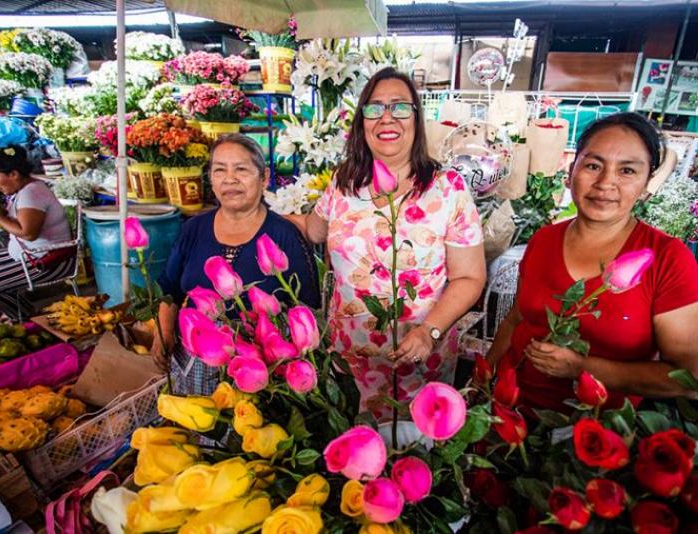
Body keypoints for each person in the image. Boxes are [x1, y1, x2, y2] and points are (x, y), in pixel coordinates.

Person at [288, 67, 487, 420]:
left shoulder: (447, 189)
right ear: (362, 121)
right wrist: (253, 214)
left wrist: (429, 331)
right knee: (353, 442)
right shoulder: (344, 181)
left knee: (413, 445)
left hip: (419, 358)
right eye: (374, 107)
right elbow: (314, 230)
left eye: (399, 106)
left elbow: (469, 277)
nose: (387, 117)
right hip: (350, 359)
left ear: (416, 118)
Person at [486, 112, 698, 412]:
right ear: (572, 171)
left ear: (646, 183)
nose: (606, 183)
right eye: (593, 166)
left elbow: (694, 378)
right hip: (509, 411)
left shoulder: (667, 258)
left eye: (627, 171)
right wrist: (482, 380)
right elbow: (517, 318)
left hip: (594, 429)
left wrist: (582, 368)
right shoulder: (544, 239)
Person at [155, 133, 320, 390]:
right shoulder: (193, 229)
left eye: (241, 169)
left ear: (264, 178)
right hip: (197, 367)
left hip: (265, 376)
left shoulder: (284, 236)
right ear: (211, 179)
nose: (230, 179)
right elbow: (168, 289)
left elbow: (307, 310)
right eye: (220, 170)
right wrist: (163, 332)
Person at [0, 146, 74, 319]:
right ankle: (17, 309)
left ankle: (26, 318)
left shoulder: (32, 193)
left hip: (49, 261)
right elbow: (18, 221)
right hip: (30, 254)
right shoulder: (24, 189)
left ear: (14, 174)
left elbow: (28, 233)